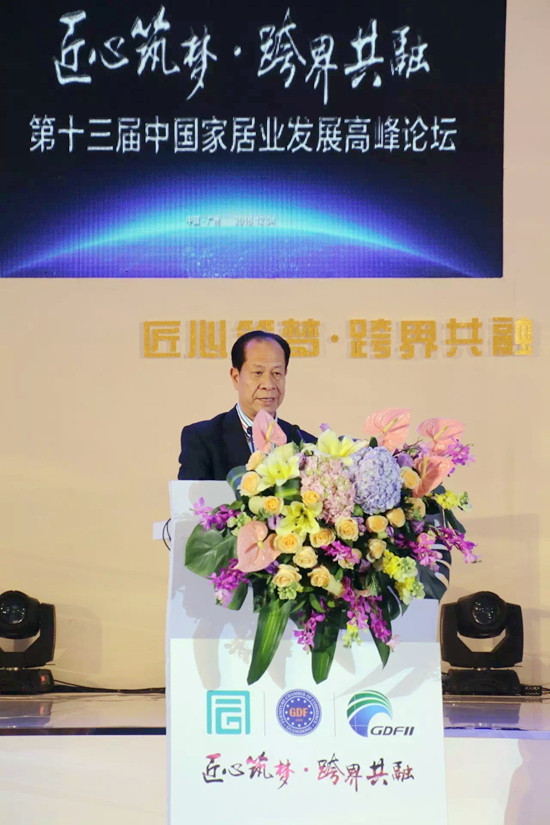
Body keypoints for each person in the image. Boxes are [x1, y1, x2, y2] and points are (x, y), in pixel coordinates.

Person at [177, 331, 315, 480]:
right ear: (236, 378)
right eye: (258, 373)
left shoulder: (307, 444)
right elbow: (192, 494)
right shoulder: (203, 439)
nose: (268, 385)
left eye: (276, 373)